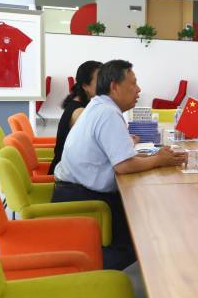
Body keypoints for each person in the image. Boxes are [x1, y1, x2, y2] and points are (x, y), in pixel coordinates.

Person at [52, 59, 187, 270]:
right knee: (143, 231)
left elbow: (121, 157)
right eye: (133, 83)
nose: (139, 89)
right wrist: (159, 160)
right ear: (115, 86)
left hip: (73, 190)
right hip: (83, 199)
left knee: (145, 215)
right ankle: (105, 280)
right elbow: (123, 165)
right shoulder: (108, 113)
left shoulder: (100, 106)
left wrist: (157, 158)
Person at [48, 60, 101, 174]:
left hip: (72, 171)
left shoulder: (81, 103)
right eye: (101, 81)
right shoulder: (79, 112)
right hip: (66, 178)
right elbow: (101, 146)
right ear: (85, 86)